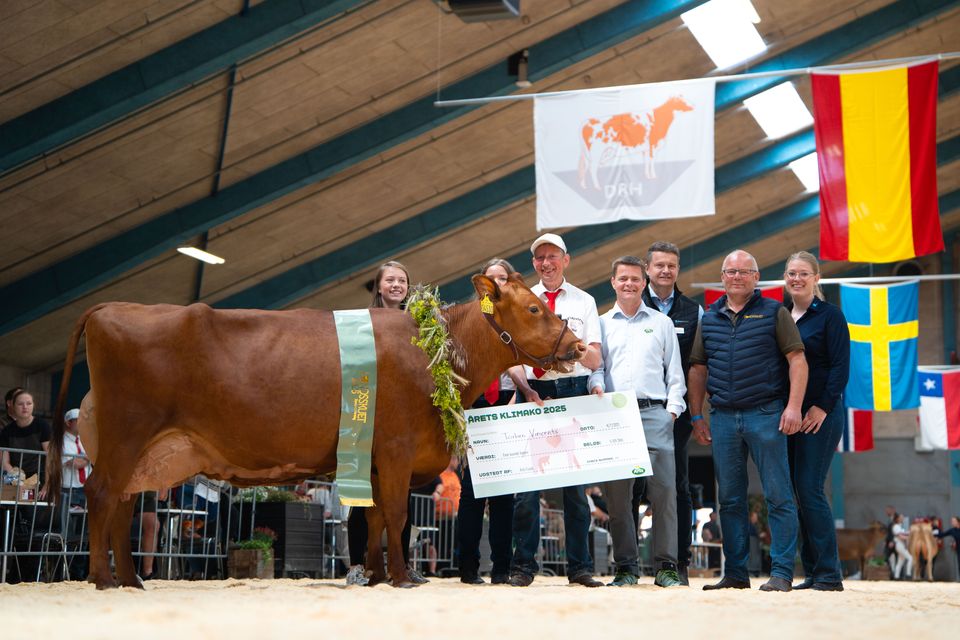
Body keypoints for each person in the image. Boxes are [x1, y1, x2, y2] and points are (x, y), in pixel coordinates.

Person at [688, 249, 807, 592]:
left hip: (766, 415)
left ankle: (782, 573)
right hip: (723, 418)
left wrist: (794, 407)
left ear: (756, 277)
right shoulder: (708, 319)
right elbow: (698, 369)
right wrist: (698, 415)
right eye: (730, 271)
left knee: (779, 495)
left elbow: (797, 360)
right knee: (730, 500)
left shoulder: (774, 312)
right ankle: (736, 574)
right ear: (722, 277)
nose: (737, 276)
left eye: (744, 271)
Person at [509, 233, 603, 588]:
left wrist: (570, 348)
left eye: (552, 256)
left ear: (566, 259)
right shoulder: (523, 300)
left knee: (576, 491)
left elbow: (595, 357)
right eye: (539, 258)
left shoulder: (584, 302)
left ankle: (580, 567)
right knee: (527, 490)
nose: (545, 263)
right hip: (535, 393)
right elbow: (512, 359)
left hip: (574, 391)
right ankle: (523, 566)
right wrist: (526, 388)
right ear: (533, 264)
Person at [589, 256, 686, 587]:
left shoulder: (660, 323)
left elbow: (675, 372)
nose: (629, 284)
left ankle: (666, 567)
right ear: (612, 282)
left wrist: (671, 411)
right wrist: (596, 385)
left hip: (655, 414)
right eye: (623, 279)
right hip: (616, 415)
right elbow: (597, 368)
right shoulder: (600, 324)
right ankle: (626, 568)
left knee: (664, 494)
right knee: (618, 498)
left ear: (644, 283)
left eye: (635, 279)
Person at [346, 260, 423, 585]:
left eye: (402, 280)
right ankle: (355, 566)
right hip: (365, 410)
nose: (396, 285)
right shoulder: (362, 322)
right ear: (378, 286)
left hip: (401, 421)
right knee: (361, 491)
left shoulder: (417, 323)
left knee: (400, 494)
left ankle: (401, 563)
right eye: (390, 280)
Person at [783, 251, 850, 592]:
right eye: (791, 273)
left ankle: (828, 573)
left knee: (810, 488)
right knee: (799, 492)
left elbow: (840, 367)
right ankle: (812, 571)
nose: (797, 278)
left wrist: (821, 407)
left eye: (803, 273)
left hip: (820, 414)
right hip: (790, 414)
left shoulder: (830, 316)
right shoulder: (780, 315)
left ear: (816, 278)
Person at [458, 258, 522, 585]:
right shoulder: (475, 317)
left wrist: (518, 396)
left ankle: (502, 568)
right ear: (483, 284)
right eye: (491, 278)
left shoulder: (515, 315)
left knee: (504, 495)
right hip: (477, 405)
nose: (497, 282)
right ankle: (467, 566)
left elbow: (518, 359)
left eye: (503, 277)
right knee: (472, 492)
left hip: (507, 403)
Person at [642, 241, 703, 584]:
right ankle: (630, 564)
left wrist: (692, 413)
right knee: (635, 486)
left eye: (672, 265)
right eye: (659, 265)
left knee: (676, 486)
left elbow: (697, 366)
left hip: (675, 415)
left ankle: (679, 561)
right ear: (648, 269)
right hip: (636, 410)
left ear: (678, 270)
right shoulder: (632, 303)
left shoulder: (693, 311)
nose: (665, 270)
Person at [0, 389, 51, 494]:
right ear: (12, 406)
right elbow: (5, 462)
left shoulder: (43, 426)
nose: (25, 407)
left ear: (33, 405)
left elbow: (50, 456)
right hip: (16, 479)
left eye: (29, 403)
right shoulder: (6, 431)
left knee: (34, 509)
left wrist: (48, 484)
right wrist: (18, 481)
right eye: (20, 404)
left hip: (39, 479)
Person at [891, 513, 913, 579]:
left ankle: (896, 576)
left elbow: (905, 534)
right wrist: (909, 537)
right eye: (901, 517)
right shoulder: (896, 527)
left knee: (900, 562)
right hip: (899, 544)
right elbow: (900, 536)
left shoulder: (900, 526)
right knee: (910, 558)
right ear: (897, 519)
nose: (903, 518)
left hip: (902, 545)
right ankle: (908, 574)